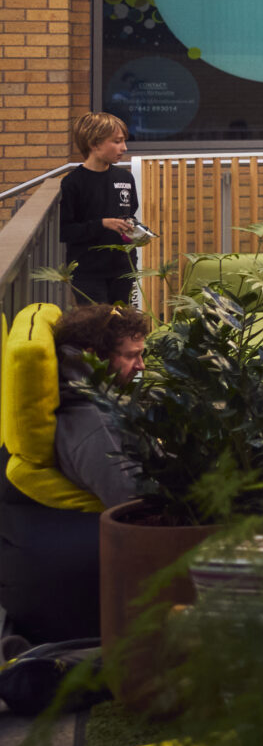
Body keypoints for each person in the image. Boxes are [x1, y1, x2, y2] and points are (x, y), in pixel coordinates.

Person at [47, 303, 148, 508]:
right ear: (94, 355)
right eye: (131, 356)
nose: (141, 365)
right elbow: (132, 505)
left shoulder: (95, 395)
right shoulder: (94, 424)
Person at [59, 113, 141, 308]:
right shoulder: (73, 182)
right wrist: (102, 224)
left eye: (124, 141)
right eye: (117, 141)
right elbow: (65, 231)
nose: (124, 148)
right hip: (88, 272)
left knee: (121, 323)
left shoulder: (125, 178)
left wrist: (137, 232)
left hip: (123, 269)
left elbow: (130, 214)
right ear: (94, 144)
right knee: (98, 323)